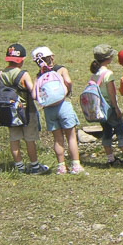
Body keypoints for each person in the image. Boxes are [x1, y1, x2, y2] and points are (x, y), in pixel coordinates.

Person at [32, 46, 86, 175]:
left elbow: (34, 95)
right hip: (63, 105)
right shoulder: (61, 69)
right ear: (52, 57)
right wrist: (67, 90)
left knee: (57, 139)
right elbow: (68, 81)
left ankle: (61, 167)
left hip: (49, 109)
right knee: (71, 137)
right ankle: (75, 165)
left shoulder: (39, 75)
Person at [0, 44, 48, 174]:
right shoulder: (23, 74)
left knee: (14, 139)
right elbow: (33, 93)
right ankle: (35, 166)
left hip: (9, 111)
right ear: (22, 59)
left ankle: (19, 167)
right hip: (27, 112)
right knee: (30, 139)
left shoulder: (1, 74)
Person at [89, 44, 123, 168]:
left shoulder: (94, 74)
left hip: (100, 108)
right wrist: (116, 108)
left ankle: (110, 158)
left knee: (106, 132)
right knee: (120, 131)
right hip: (109, 107)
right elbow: (112, 93)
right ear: (108, 58)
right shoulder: (108, 74)